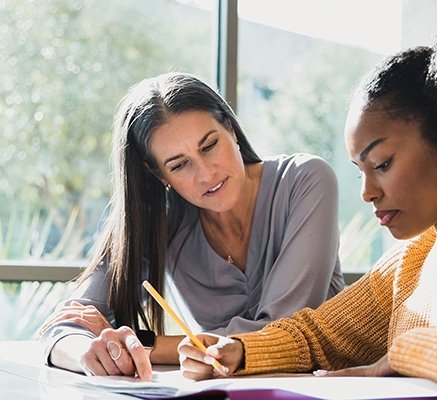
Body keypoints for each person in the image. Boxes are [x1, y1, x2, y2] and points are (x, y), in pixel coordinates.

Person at [177, 13, 437, 399]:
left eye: (382, 163)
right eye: (360, 170)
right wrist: (239, 351)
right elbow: (320, 337)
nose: (367, 192)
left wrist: (408, 348)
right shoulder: (412, 261)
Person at [39, 72, 345, 379]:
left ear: (230, 128)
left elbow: (280, 334)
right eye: (179, 165)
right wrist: (93, 354)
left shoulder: (306, 180)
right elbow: (67, 325)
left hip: (323, 389)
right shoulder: (161, 218)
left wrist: (143, 344)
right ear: (158, 175)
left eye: (209, 145)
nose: (206, 174)